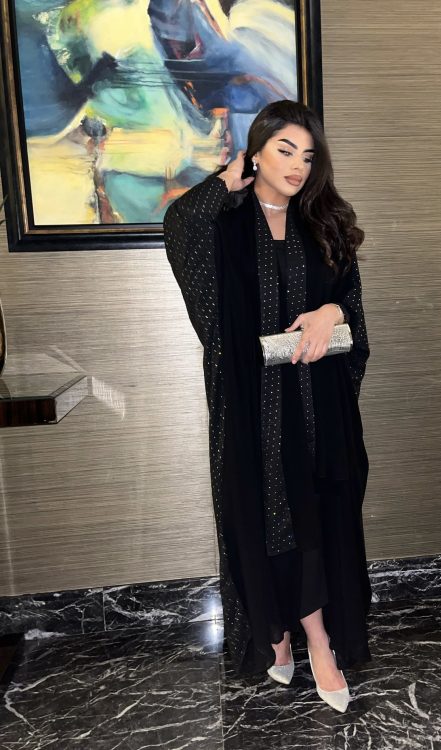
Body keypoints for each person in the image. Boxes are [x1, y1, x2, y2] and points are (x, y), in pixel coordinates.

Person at [163, 100, 371, 712]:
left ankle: (319, 641)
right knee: (265, 521)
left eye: (308, 155)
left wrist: (332, 310)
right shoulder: (224, 225)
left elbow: (351, 304)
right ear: (255, 152)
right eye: (284, 150)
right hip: (252, 408)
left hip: (319, 407)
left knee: (316, 521)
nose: (298, 165)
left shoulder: (324, 222)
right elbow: (178, 225)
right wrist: (224, 182)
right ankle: (278, 633)